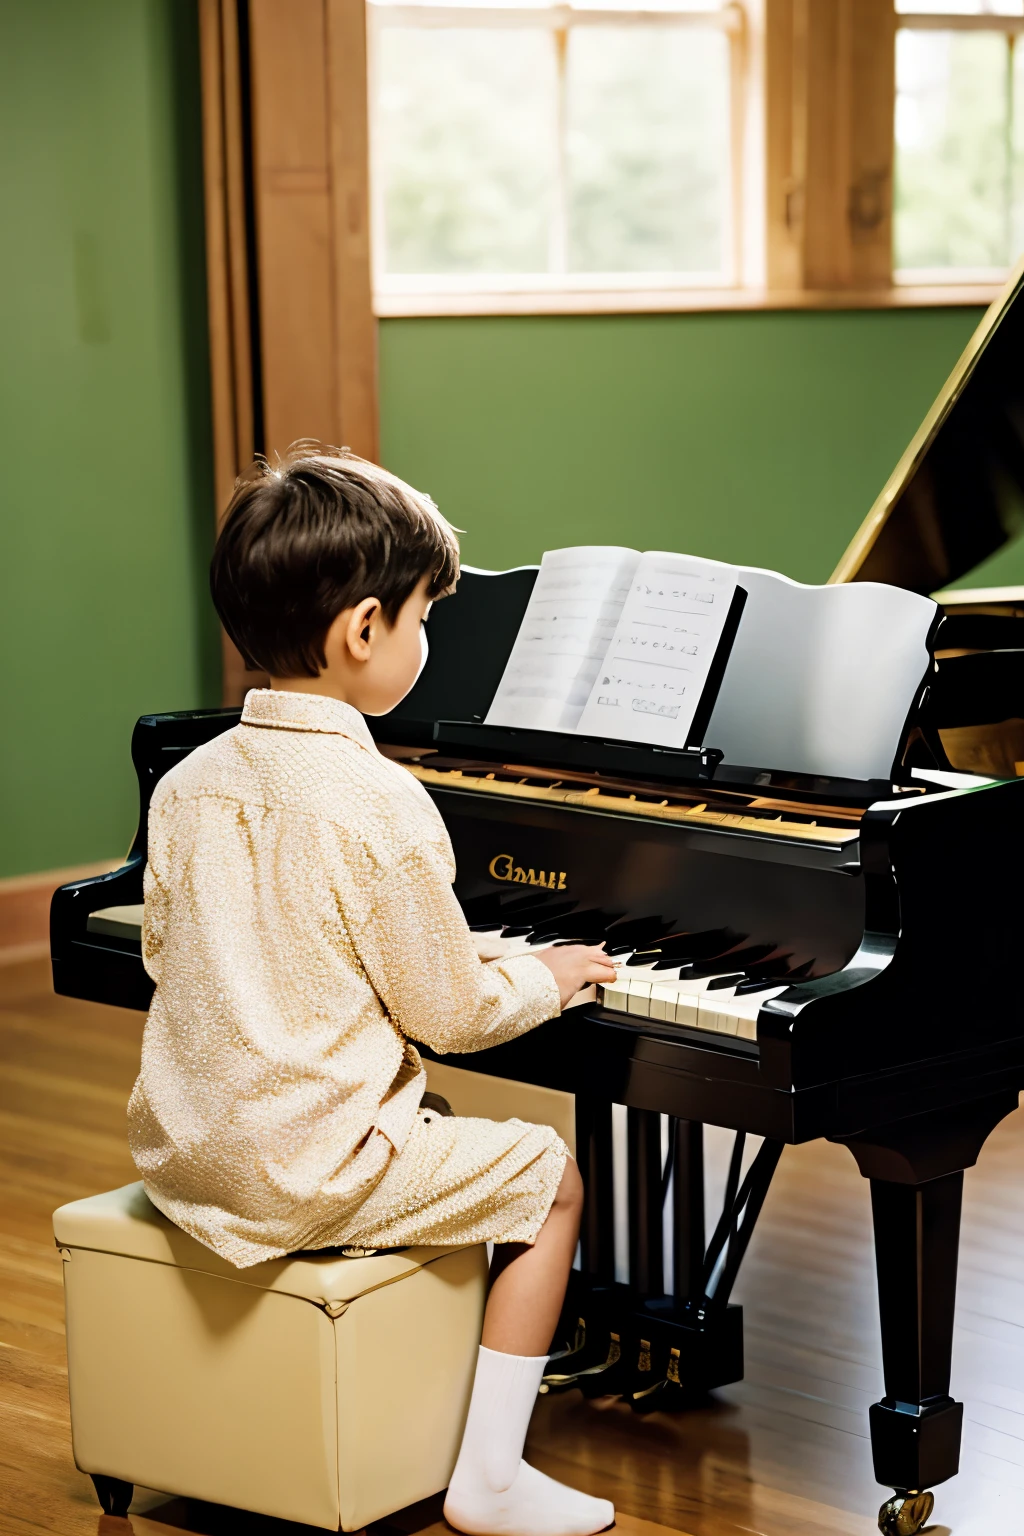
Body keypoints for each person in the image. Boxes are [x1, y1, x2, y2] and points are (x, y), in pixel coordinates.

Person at [127, 443, 618, 1536]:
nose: (425, 640)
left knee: (424, 1118)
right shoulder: (378, 801)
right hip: (302, 1175)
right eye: (422, 618)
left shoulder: (192, 782)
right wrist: (539, 974)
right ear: (362, 631)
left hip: (186, 1150)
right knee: (550, 1180)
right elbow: (451, 1016)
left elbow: (172, 956)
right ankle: (489, 1477)